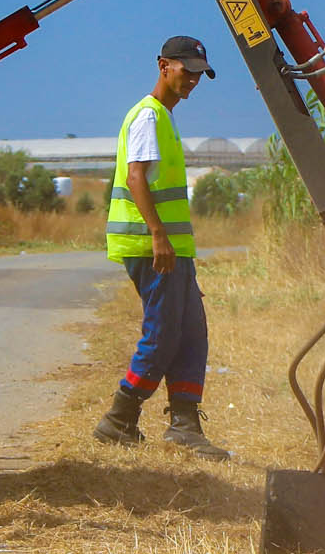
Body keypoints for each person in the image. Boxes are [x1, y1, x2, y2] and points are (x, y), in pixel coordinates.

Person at [93, 35, 230, 460]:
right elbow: (136, 179)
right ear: (163, 65)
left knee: (191, 329)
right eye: (185, 69)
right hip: (150, 245)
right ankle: (120, 417)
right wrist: (157, 235)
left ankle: (184, 425)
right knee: (164, 331)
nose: (192, 78)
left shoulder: (165, 117)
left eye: (199, 73)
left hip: (171, 250)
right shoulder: (148, 117)